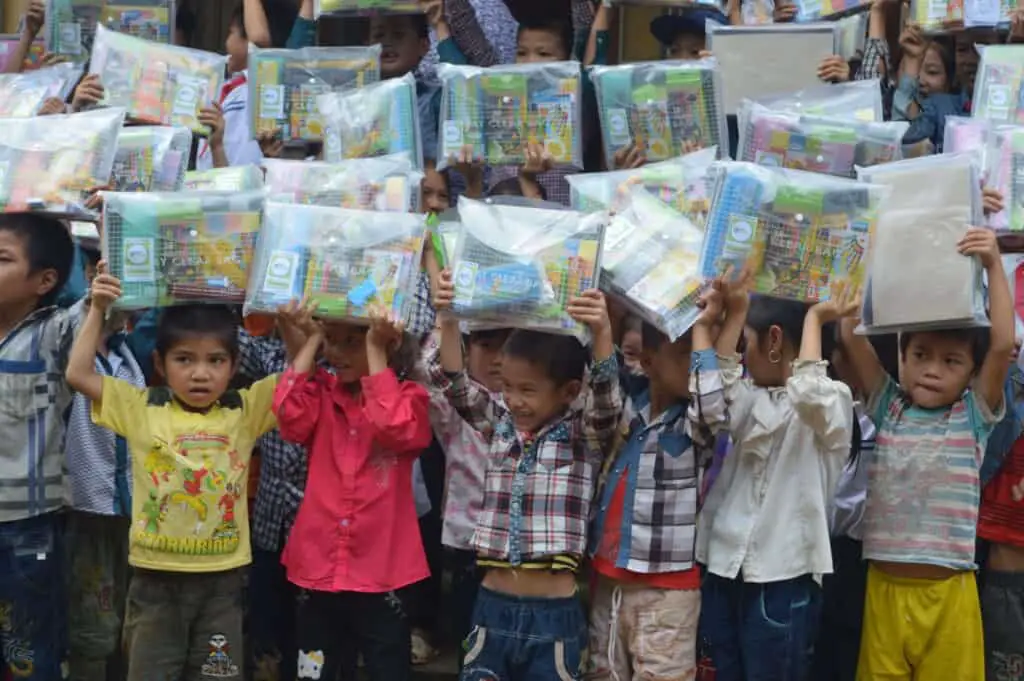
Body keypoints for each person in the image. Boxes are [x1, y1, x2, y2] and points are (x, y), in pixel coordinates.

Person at [66, 270, 280, 681]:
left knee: (219, 674)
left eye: (215, 361)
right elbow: (78, 374)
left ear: (234, 365)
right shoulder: (141, 407)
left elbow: (296, 379)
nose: (201, 373)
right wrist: (97, 308)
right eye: (185, 359)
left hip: (223, 581)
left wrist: (294, 326)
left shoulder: (244, 411)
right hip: (154, 580)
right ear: (160, 364)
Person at [840, 227, 1013, 681]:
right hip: (883, 592)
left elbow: (1000, 344)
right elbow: (849, 331)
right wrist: (869, 251)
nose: (932, 369)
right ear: (901, 355)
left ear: (972, 371)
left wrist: (994, 263)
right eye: (920, 354)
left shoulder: (972, 415)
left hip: (949, 594)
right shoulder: (888, 406)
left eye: (951, 361)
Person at [432, 270, 622, 681]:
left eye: (528, 390)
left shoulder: (582, 435)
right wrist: (448, 318)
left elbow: (606, 399)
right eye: (509, 387)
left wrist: (602, 330)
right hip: (490, 605)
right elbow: (456, 383)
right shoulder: (499, 422)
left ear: (569, 391)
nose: (514, 400)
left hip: (554, 617)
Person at [694, 272, 860, 681]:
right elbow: (712, 401)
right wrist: (731, 316)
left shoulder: (832, 401)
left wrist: (814, 320)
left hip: (783, 580)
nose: (742, 354)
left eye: (745, 341)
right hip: (724, 570)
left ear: (772, 340)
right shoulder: (751, 398)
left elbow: (807, 391)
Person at [272, 304, 431, 681]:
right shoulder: (322, 393)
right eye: (332, 340)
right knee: (315, 672)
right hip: (318, 568)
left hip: (382, 573)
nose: (337, 352)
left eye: (352, 342)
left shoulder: (410, 398)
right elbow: (288, 414)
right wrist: (310, 340)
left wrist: (376, 350)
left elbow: (395, 428)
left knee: (387, 669)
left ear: (388, 344)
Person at [586, 291, 726, 681]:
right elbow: (600, 394)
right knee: (602, 674)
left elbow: (712, 404)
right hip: (609, 582)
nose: (697, 362)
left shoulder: (694, 425)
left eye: (701, 352)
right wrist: (603, 323)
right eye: (685, 353)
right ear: (648, 361)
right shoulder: (628, 412)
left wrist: (701, 330)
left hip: (667, 591)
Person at [64, 249, 150, 681]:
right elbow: (81, 319)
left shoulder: (127, 353)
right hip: (88, 506)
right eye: (99, 275)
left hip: (133, 509)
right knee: (91, 623)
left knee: (130, 617)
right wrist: (95, 302)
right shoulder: (66, 342)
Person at [0, 213, 77, 679]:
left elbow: (104, 305)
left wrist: (105, 218)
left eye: (2, 259)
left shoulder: (53, 335)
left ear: (44, 280)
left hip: (26, 526)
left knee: (27, 650)